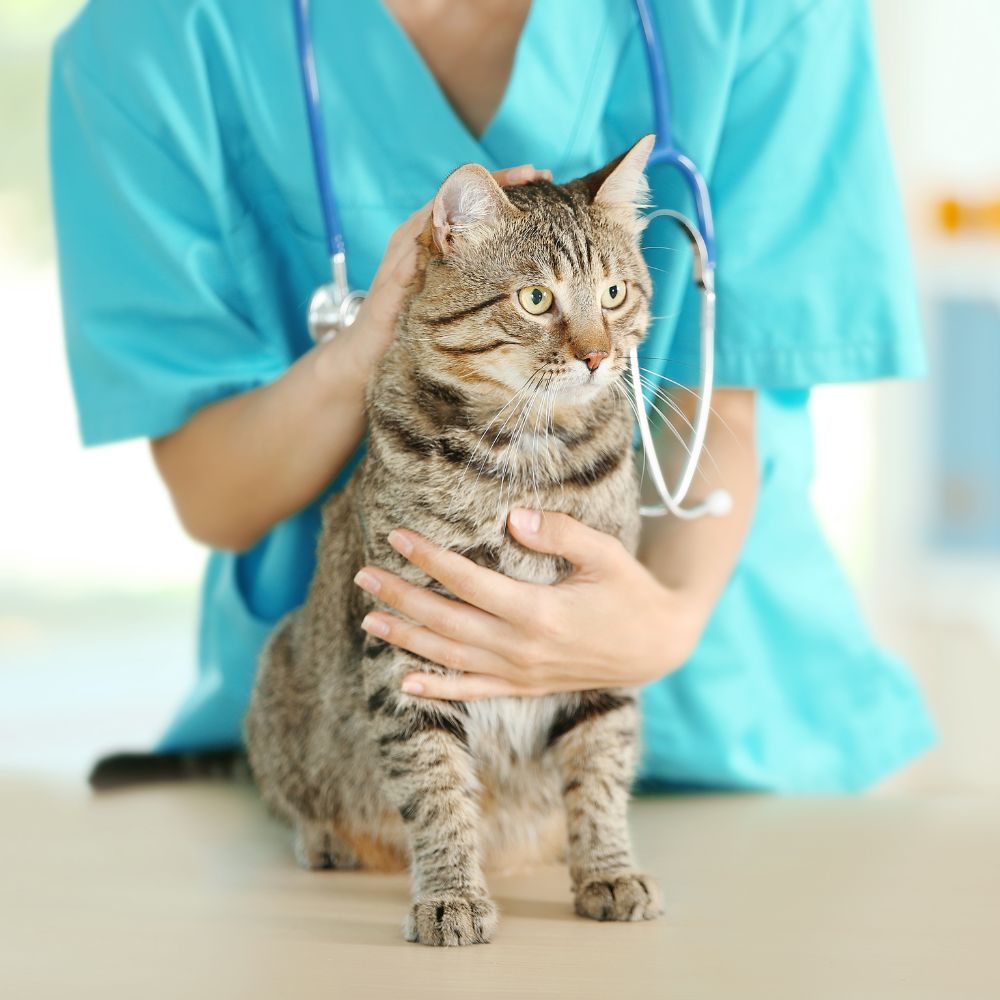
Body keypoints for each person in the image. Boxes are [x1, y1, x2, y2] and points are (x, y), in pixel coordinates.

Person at [50, 0, 934, 792]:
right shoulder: (147, 42)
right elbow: (213, 492)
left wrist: (664, 624)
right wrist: (371, 346)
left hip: (730, 727)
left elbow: (725, 389)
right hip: (376, 744)